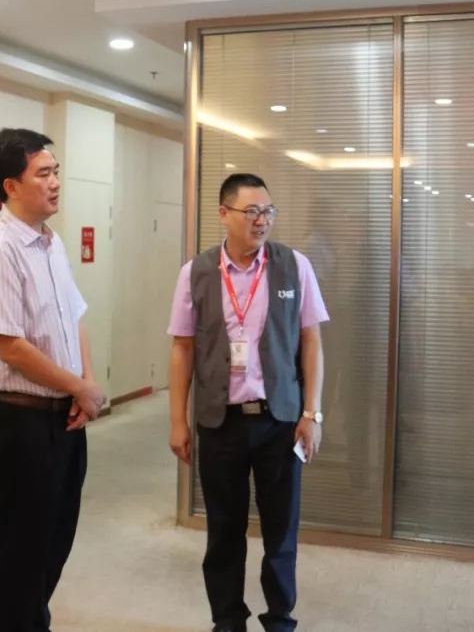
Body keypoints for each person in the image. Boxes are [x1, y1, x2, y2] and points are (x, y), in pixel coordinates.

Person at [167, 173, 329, 632]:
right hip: (221, 423)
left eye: (268, 211)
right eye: (252, 211)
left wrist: (311, 413)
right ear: (224, 214)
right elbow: (182, 347)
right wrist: (178, 420)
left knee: (281, 532)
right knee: (223, 532)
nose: (262, 221)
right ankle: (227, 621)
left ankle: (279, 620)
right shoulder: (196, 272)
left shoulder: (294, 265)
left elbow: (311, 341)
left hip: (280, 421)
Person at [0, 127, 106, 632]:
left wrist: (84, 383)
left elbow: (74, 316)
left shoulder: (50, 242)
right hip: (22, 424)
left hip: (63, 419)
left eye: (56, 172)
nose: (55, 182)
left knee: (54, 542)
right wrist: (79, 387)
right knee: (22, 552)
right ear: (11, 186)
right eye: (43, 174)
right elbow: (11, 346)